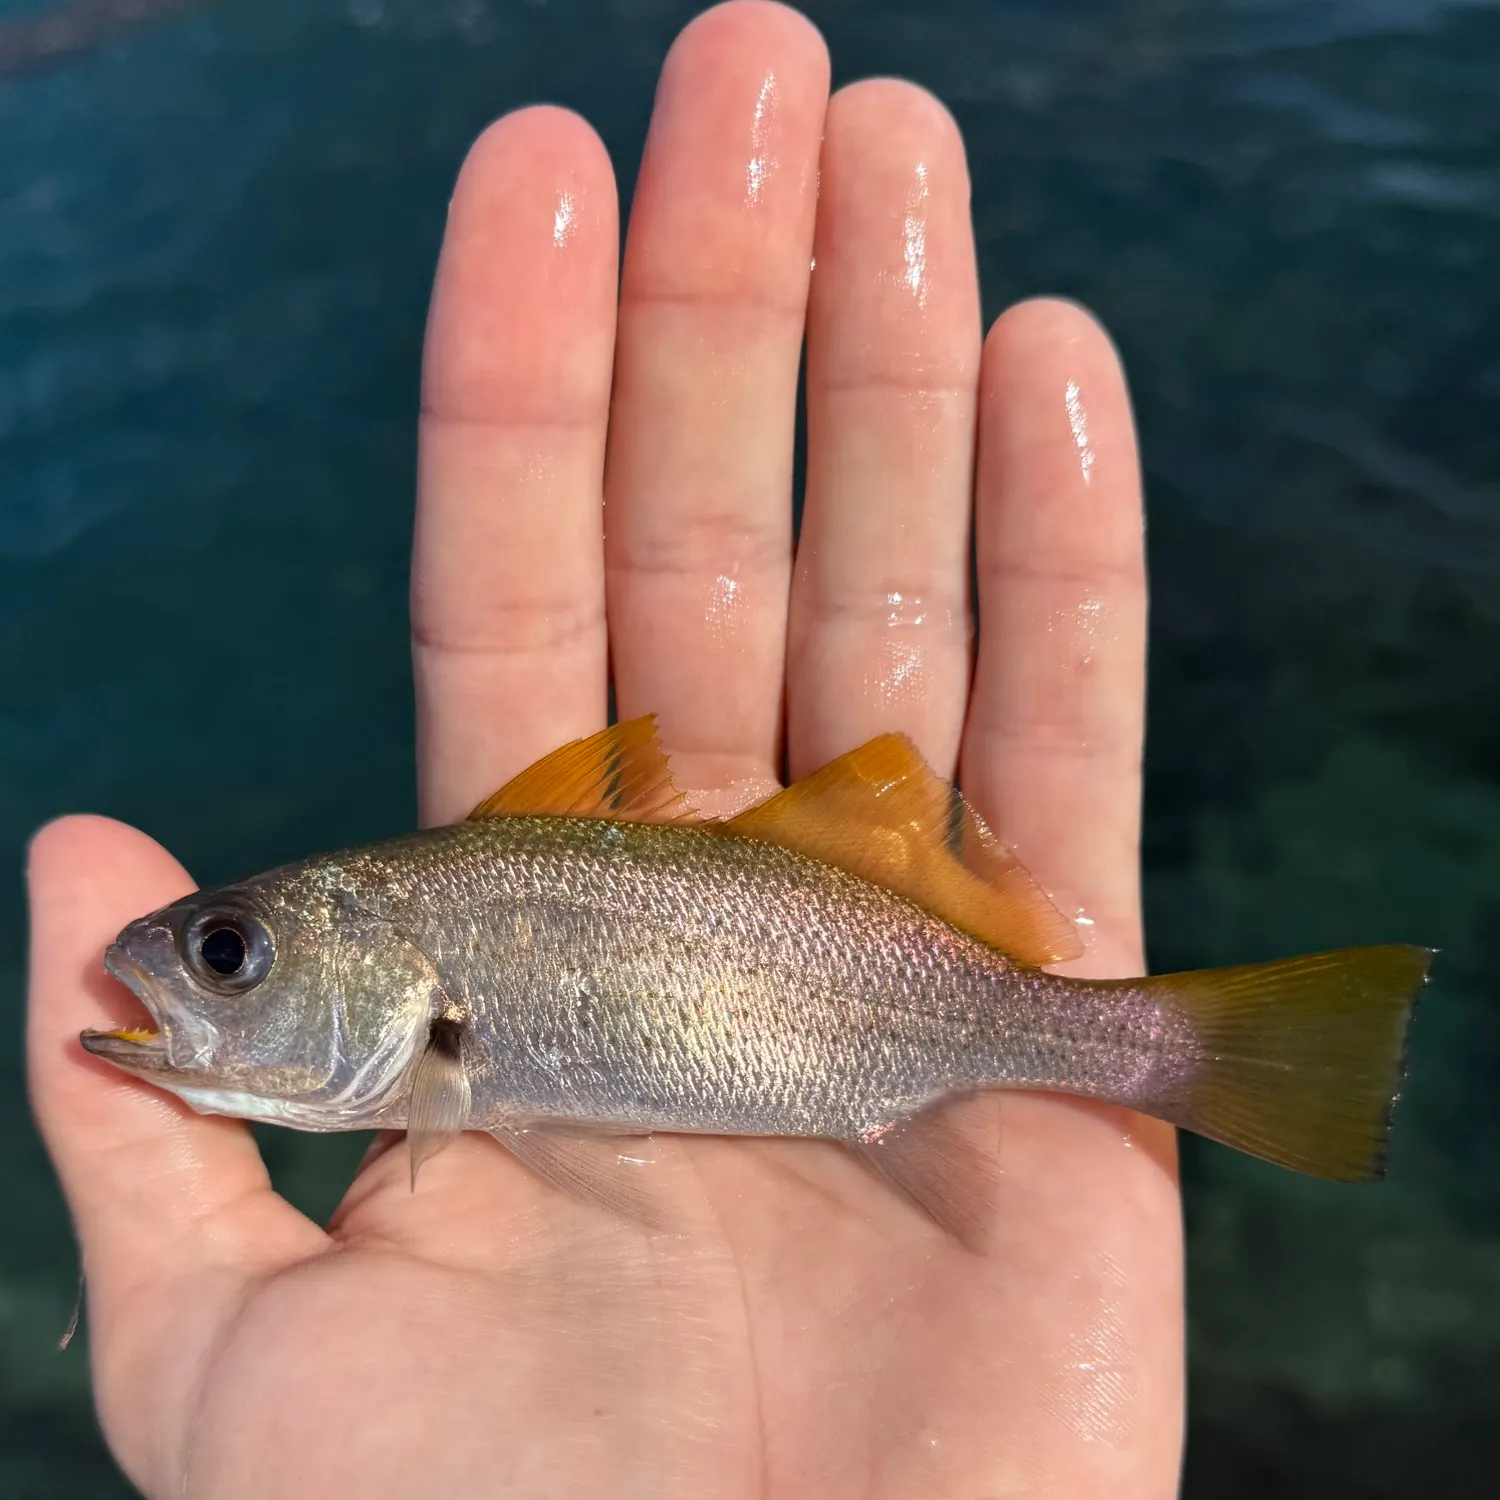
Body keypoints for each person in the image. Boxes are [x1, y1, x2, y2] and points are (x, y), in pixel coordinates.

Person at [26, 3, 1179, 1494]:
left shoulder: (446, 1000)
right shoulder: (442, 1036)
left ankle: (1174, 1048)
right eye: (223, 951)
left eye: (229, 954)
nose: (192, 967)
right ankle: (1171, 1047)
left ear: (398, 973)